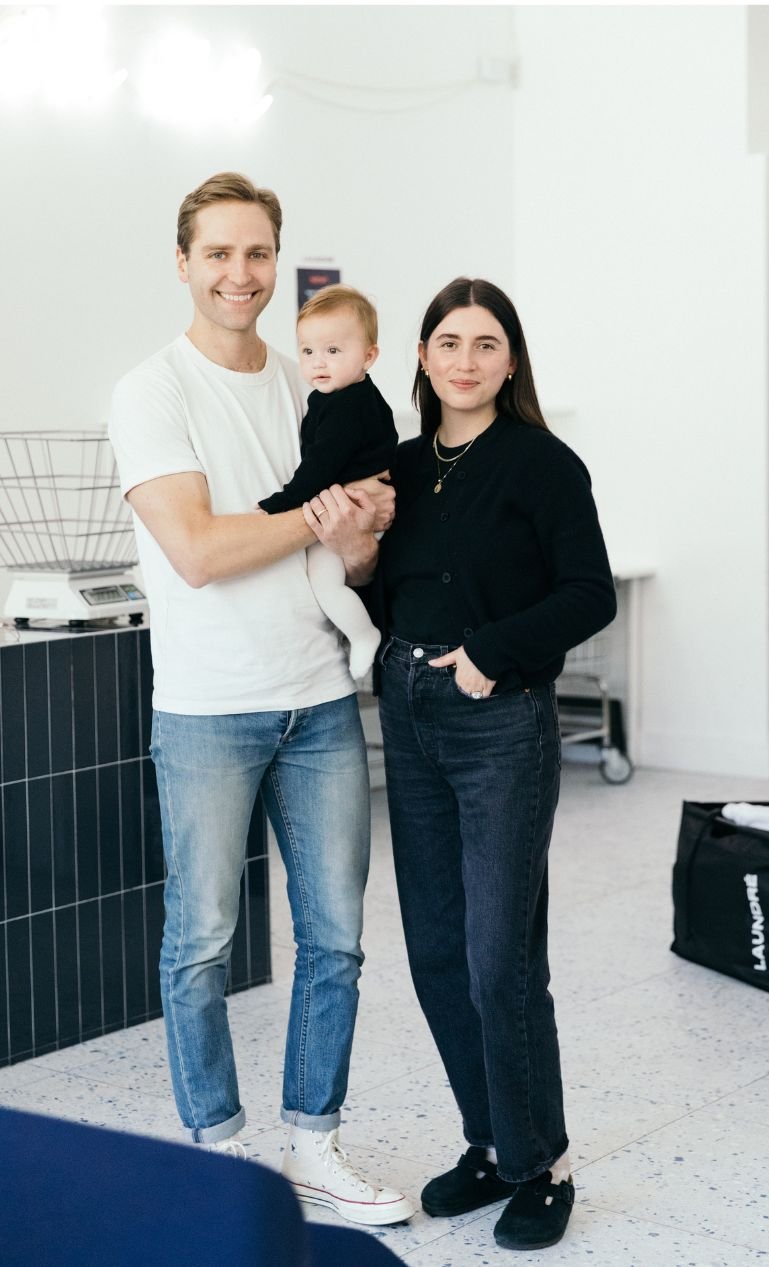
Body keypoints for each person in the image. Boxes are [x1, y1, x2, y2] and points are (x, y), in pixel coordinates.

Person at [107, 171, 414, 1228]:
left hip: (320, 698)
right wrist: (316, 514)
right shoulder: (151, 389)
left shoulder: (311, 381)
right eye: (219, 253)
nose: (240, 273)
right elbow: (196, 549)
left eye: (256, 253)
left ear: (276, 262)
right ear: (184, 262)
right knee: (200, 938)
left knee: (334, 940)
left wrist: (363, 525)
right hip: (205, 709)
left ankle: (315, 1141)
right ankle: (217, 1149)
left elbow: (359, 558)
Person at [369, 277, 616, 1251]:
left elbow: (588, 593)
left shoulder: (541, 464)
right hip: (406, 708)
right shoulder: (397, 466)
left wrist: (489, 651)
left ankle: (540, 1162)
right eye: (446, 341)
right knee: (433, 951)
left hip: (496, 719)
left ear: (509, 361)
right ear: (421, 357)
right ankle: (488, 1144)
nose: (463, 360)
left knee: (497, 961)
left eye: (484, 343)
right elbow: (389, 586)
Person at [258, 284, 398, 678]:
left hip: (357, 512)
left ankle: (363, 634)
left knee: (325, 583)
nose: (319, 362)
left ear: (369, 356)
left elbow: (320, 466)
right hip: (355, 503)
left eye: (333, 351)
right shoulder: (341, 395)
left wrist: (277, 505)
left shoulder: (347, 407)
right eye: (308, 351)